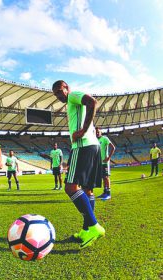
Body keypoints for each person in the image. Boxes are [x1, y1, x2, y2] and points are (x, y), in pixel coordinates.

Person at [52, 80, 105, 249]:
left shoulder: (74, 96)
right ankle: (86, 230)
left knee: (70, 187)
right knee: (88, 189)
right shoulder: (72, 104)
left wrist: (82, 130)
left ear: (67, 89)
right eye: (56, 94)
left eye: (61, 91)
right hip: (92, 146)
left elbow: (92, 102)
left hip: (83, 146)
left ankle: (94, 226)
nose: (59, 95)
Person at [96, 127, 115, 200]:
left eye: (98, 132)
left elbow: (113, 147)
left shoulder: (105, 138)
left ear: (101, 132)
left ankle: (109, 194)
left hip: (105, 162)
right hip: (99, 163)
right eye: (96, 132)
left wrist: (108, 157)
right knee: (103, 178)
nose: (97, 133)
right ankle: (104, 192)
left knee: (106, 177)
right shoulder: (95, 140)